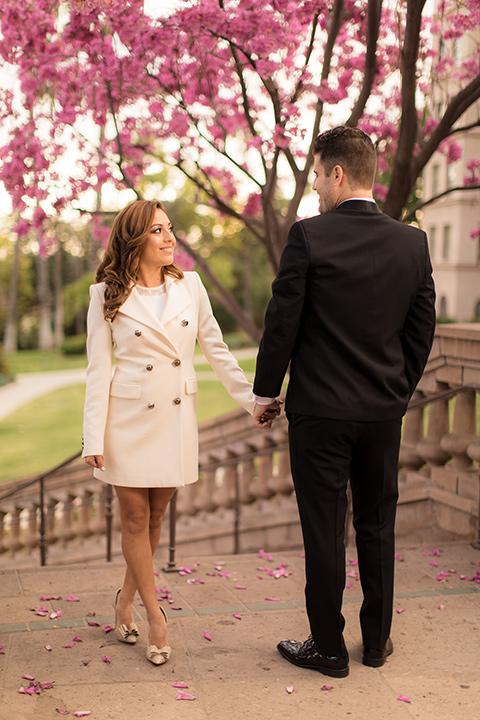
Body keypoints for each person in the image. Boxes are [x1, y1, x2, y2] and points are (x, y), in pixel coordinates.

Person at [252, 126, 436, 678]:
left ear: (337, 173)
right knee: (378, 525)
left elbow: (282, 322)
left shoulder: (308, 236)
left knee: (325, 528)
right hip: (382, 411)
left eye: (316, 177)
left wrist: (266, 392)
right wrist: (396, 391)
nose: (314, 189)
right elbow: (421, 328)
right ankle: (376, 644)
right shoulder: (413, 242)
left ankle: (329, 648)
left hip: (320, 414)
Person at [82, 199, 259, 666]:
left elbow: (217, 350)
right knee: (135, 520)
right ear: (135, 239)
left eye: (170, 228)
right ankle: (155, 615)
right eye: (157, 230)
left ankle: (123, 600)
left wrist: (252, 401)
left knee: (157, 518)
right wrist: (92, 437)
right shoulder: (106, 294)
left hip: (174, 418)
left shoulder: (192, 286)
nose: (169, 237)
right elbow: (98, 371)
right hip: (127, 420)